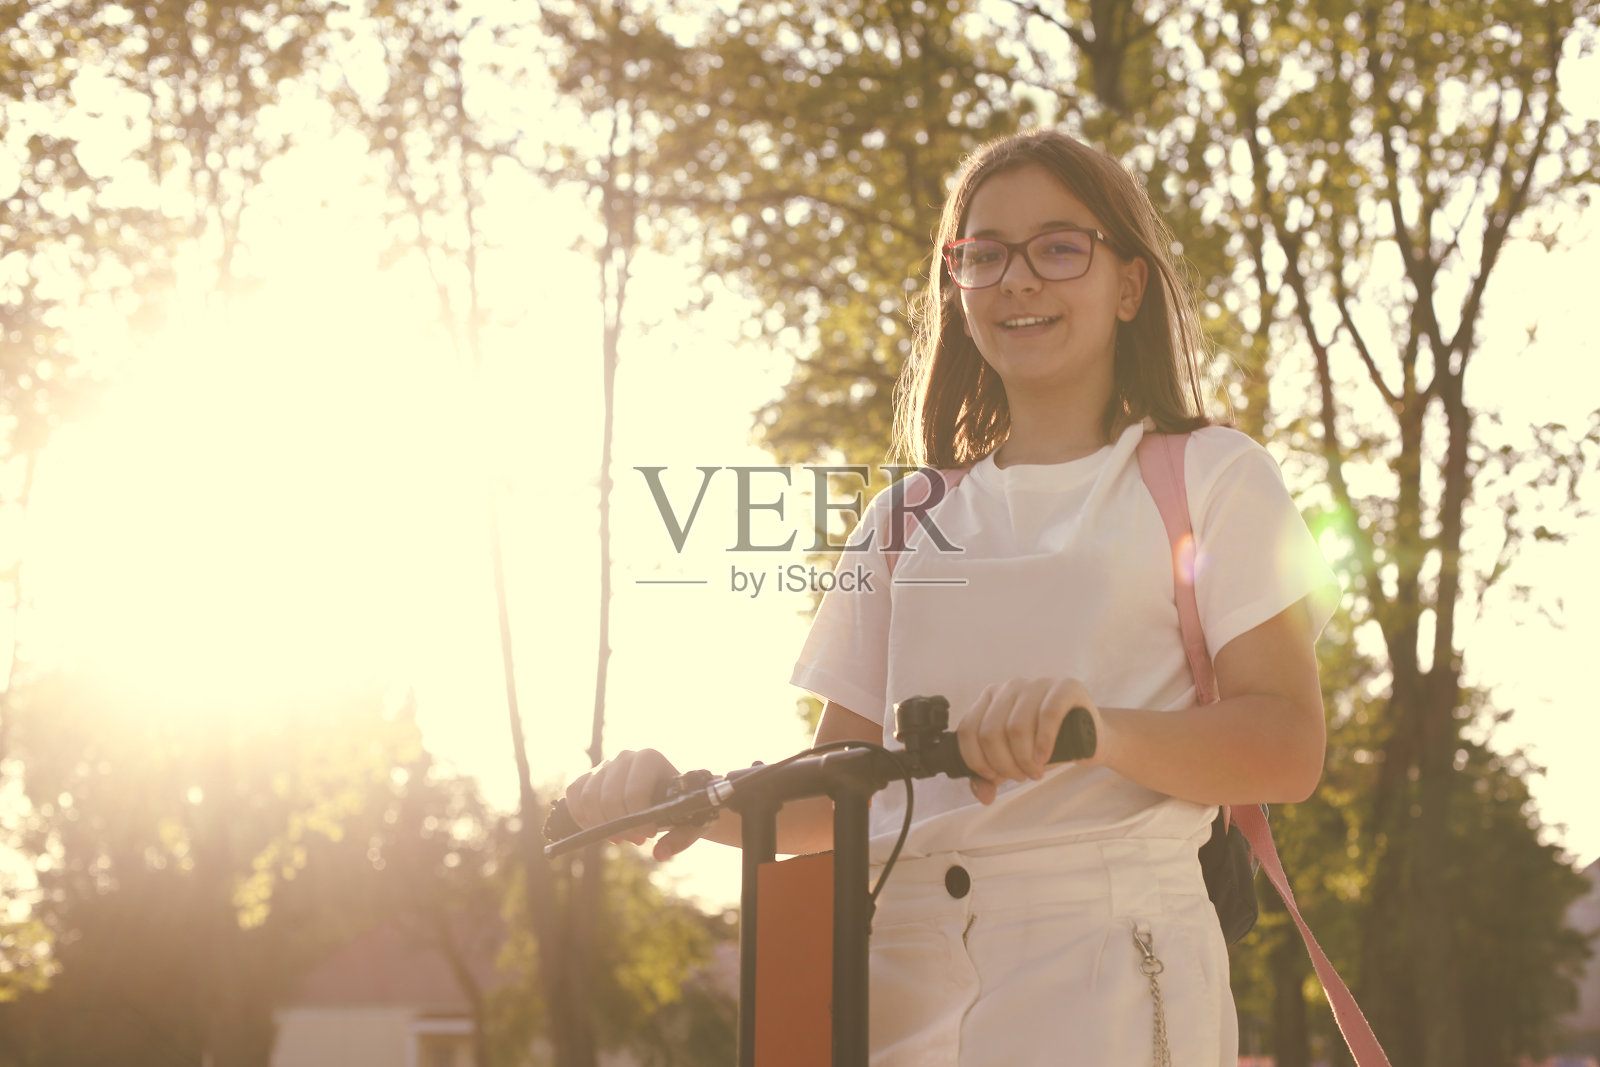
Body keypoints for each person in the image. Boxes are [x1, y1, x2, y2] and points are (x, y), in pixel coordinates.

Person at [562, 128, 1339, 1066]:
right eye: (985, 255)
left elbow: (1286, 745)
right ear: (958, 288)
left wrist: (1097, 731)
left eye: (1060, 248)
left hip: (1113, 971)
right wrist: (679, 797)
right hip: (901, 979)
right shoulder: (903, 519)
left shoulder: (1211, 475)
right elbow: (837, 800)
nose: (1018, 279)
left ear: (1130, 286)